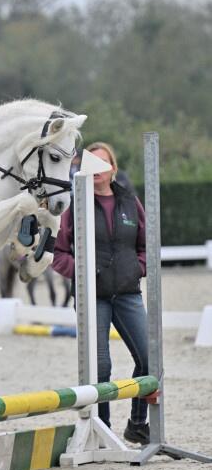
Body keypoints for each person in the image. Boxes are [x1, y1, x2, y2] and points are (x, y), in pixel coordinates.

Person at [52, 142, 150, 445]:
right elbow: (59, 254)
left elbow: (145, 244)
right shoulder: (74, 206)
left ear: (113, 169)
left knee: (149, 357)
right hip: (92, 296)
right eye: (90, 163)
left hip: (128, 292)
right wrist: (82, 272)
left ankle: (137, 423)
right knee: (101, 366)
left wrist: (137, 267)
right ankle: (102, 428)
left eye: (102, 163)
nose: (95, 170)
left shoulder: (130, 202)